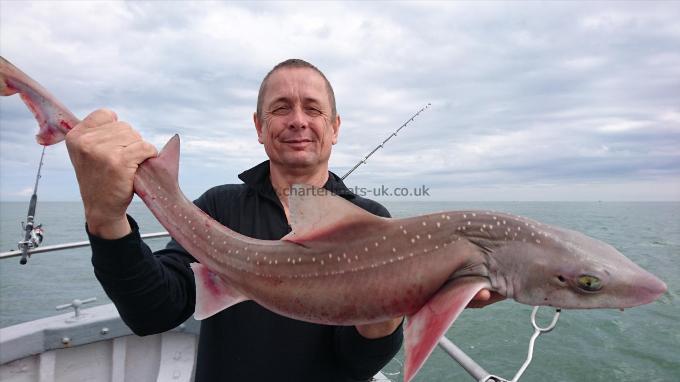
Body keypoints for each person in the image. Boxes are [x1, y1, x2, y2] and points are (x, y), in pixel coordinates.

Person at [65, 59, 500, 381]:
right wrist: (105, 221)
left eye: (313, 109)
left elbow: (355, 363)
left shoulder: (370, 221)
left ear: (335, 127)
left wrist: (389, 309)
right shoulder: (219, 208)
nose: (297, 121)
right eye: (280, 108)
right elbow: (154, 311)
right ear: (259, 126)